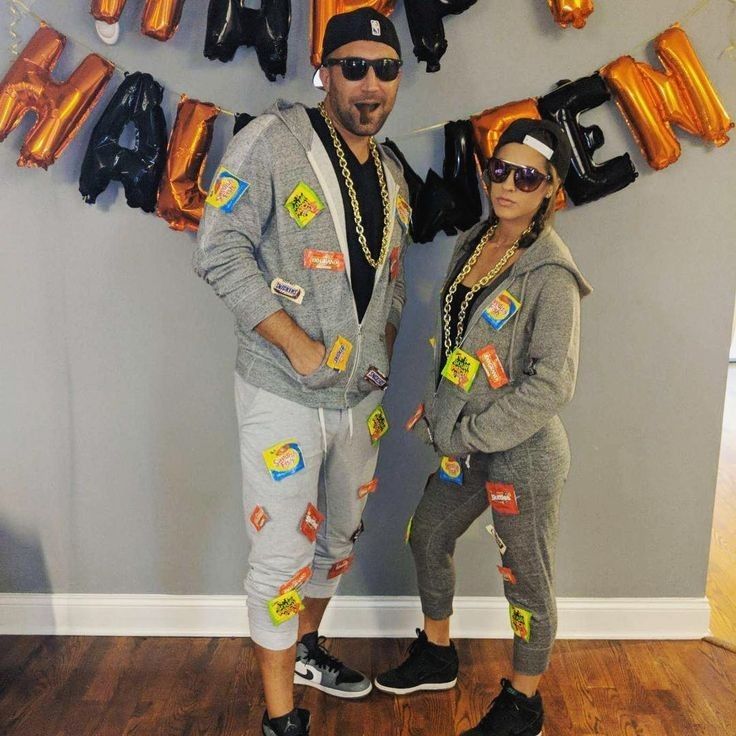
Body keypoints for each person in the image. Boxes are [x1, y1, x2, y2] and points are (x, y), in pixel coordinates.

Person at [193, 9, 410, 736]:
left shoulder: (392, 169)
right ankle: (281, 720)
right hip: (281, 387)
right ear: (325, 72)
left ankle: (308, 648)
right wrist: (294, 342)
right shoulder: (271, 141)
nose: (369, 84)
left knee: (340, 534)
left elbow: (390, 284)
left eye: (384, 68)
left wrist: (376, 360)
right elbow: (218, 248)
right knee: (280, 548)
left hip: (358, 394)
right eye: (353, 67)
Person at [374, 119, 592, 736]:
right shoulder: (474, 240)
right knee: (427, 534)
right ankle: (439, 653)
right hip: (464, 443)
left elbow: (553, 384)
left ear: (550, 189)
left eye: (527, 177)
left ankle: (525, 705)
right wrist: (439, 409)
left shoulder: (551, 272)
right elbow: (456, 342)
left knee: (526, 577)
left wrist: (465, 432)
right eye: (500, 169)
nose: (508, 185)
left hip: (523, 455)